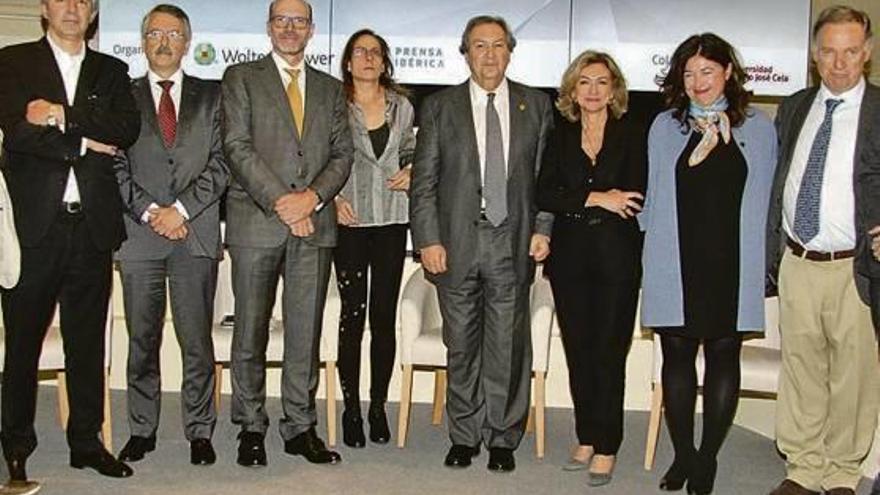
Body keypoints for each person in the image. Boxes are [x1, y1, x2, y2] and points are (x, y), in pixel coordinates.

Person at [0, 0, 141, 487]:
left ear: (93, 13)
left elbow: (125, 130)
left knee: (87, 344)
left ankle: (86, 442)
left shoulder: (112, 69)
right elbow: (17, 134)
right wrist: (83, 141)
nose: (73, 7)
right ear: (45, 7)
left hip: (93, 229)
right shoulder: (12, 62)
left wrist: (59, 115)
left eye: (84, 0)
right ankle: (16, 447)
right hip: (36, 229)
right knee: (22, 346)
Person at [409, 14, 553, 473]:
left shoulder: (537, 105)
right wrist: (427, 238)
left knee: (508, 345)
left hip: (513, 242)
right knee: (462, 343)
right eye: (479, 46)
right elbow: (424, 183)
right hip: (454, 244)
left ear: (509, 51)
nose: (489, 55)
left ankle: (503, 437)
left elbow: (547, 178)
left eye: (497, 46)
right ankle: (464, 435)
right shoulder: (439, 106)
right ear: (465, 52)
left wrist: (543, 227)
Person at [639, 33, 777, 495]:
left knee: (723, 357)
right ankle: (684, 456)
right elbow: (654, 197)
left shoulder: (757, 127)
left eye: (708, 72)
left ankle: (709, 458)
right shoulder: (664, 126)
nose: (698, 83)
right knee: (675, 358)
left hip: (731, 264)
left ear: (728, 73)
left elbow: (767, 202)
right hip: (675, 259)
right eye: (689, 73)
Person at [221, 0, 353, 468]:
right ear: (269, 27)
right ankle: (251, 427)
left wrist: (312, 198)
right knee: (250, 334)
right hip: (256, 224)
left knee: (305, 334)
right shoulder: (241, 79)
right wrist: (284, 202)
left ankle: (299, 427)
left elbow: (342, 154)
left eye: (299, 21)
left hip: (313, 226)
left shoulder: (332, 89)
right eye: (282, 20)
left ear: (312, 30)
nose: (290, 28)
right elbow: (236, 147)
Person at [767, 6, 880, 495]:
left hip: (853, 265)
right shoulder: (794, 107)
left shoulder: (878, 110)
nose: (840, 63)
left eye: (851, 51)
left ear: (867, 53)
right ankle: (803, 469)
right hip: (798, 260)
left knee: (853, 375)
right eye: (830, 52)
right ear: (815, 56)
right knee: (802, 368)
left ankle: (840, 474)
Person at [114, 4, 228, 467]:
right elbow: (114, 162)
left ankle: (200, 431)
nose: (164, 41)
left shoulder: (212, 95)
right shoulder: (121, 95)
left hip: (194, 233)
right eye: (155, 33)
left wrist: (179, 210)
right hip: (139, 237)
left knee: (196, 339)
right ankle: (142, 429)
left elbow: (222, 163)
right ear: (143, 42)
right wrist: (150, 212)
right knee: (142, 339)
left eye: (173, 34)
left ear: (187, 42)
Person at [535, 50, 645, 487]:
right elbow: (544, 191)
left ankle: (608, 444)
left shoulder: (633, 132)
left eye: (602, 82)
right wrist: (598, 197)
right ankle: (585, 435)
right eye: (585, 82)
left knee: (609, 352)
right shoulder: (559, 133)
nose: (594, 91)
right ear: (572, 90)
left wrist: (578, 195)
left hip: (617, 258)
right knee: (578, 350)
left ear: (614, 88)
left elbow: (635, 193)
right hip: (570, 258)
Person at [333, 29, 415, 448]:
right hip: (348, 222)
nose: (368, 58)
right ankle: (350, 410)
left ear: (384, 62)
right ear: (348, 61)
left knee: (383, 319)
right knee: (352, 317)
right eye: (360, 52)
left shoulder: (402, 106)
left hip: (391, 221)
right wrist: (329, 200)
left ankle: (378, 407)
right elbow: (316, 157)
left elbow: (413, 151)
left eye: (376, 52)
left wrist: (413, 169)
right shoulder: (333, 103)